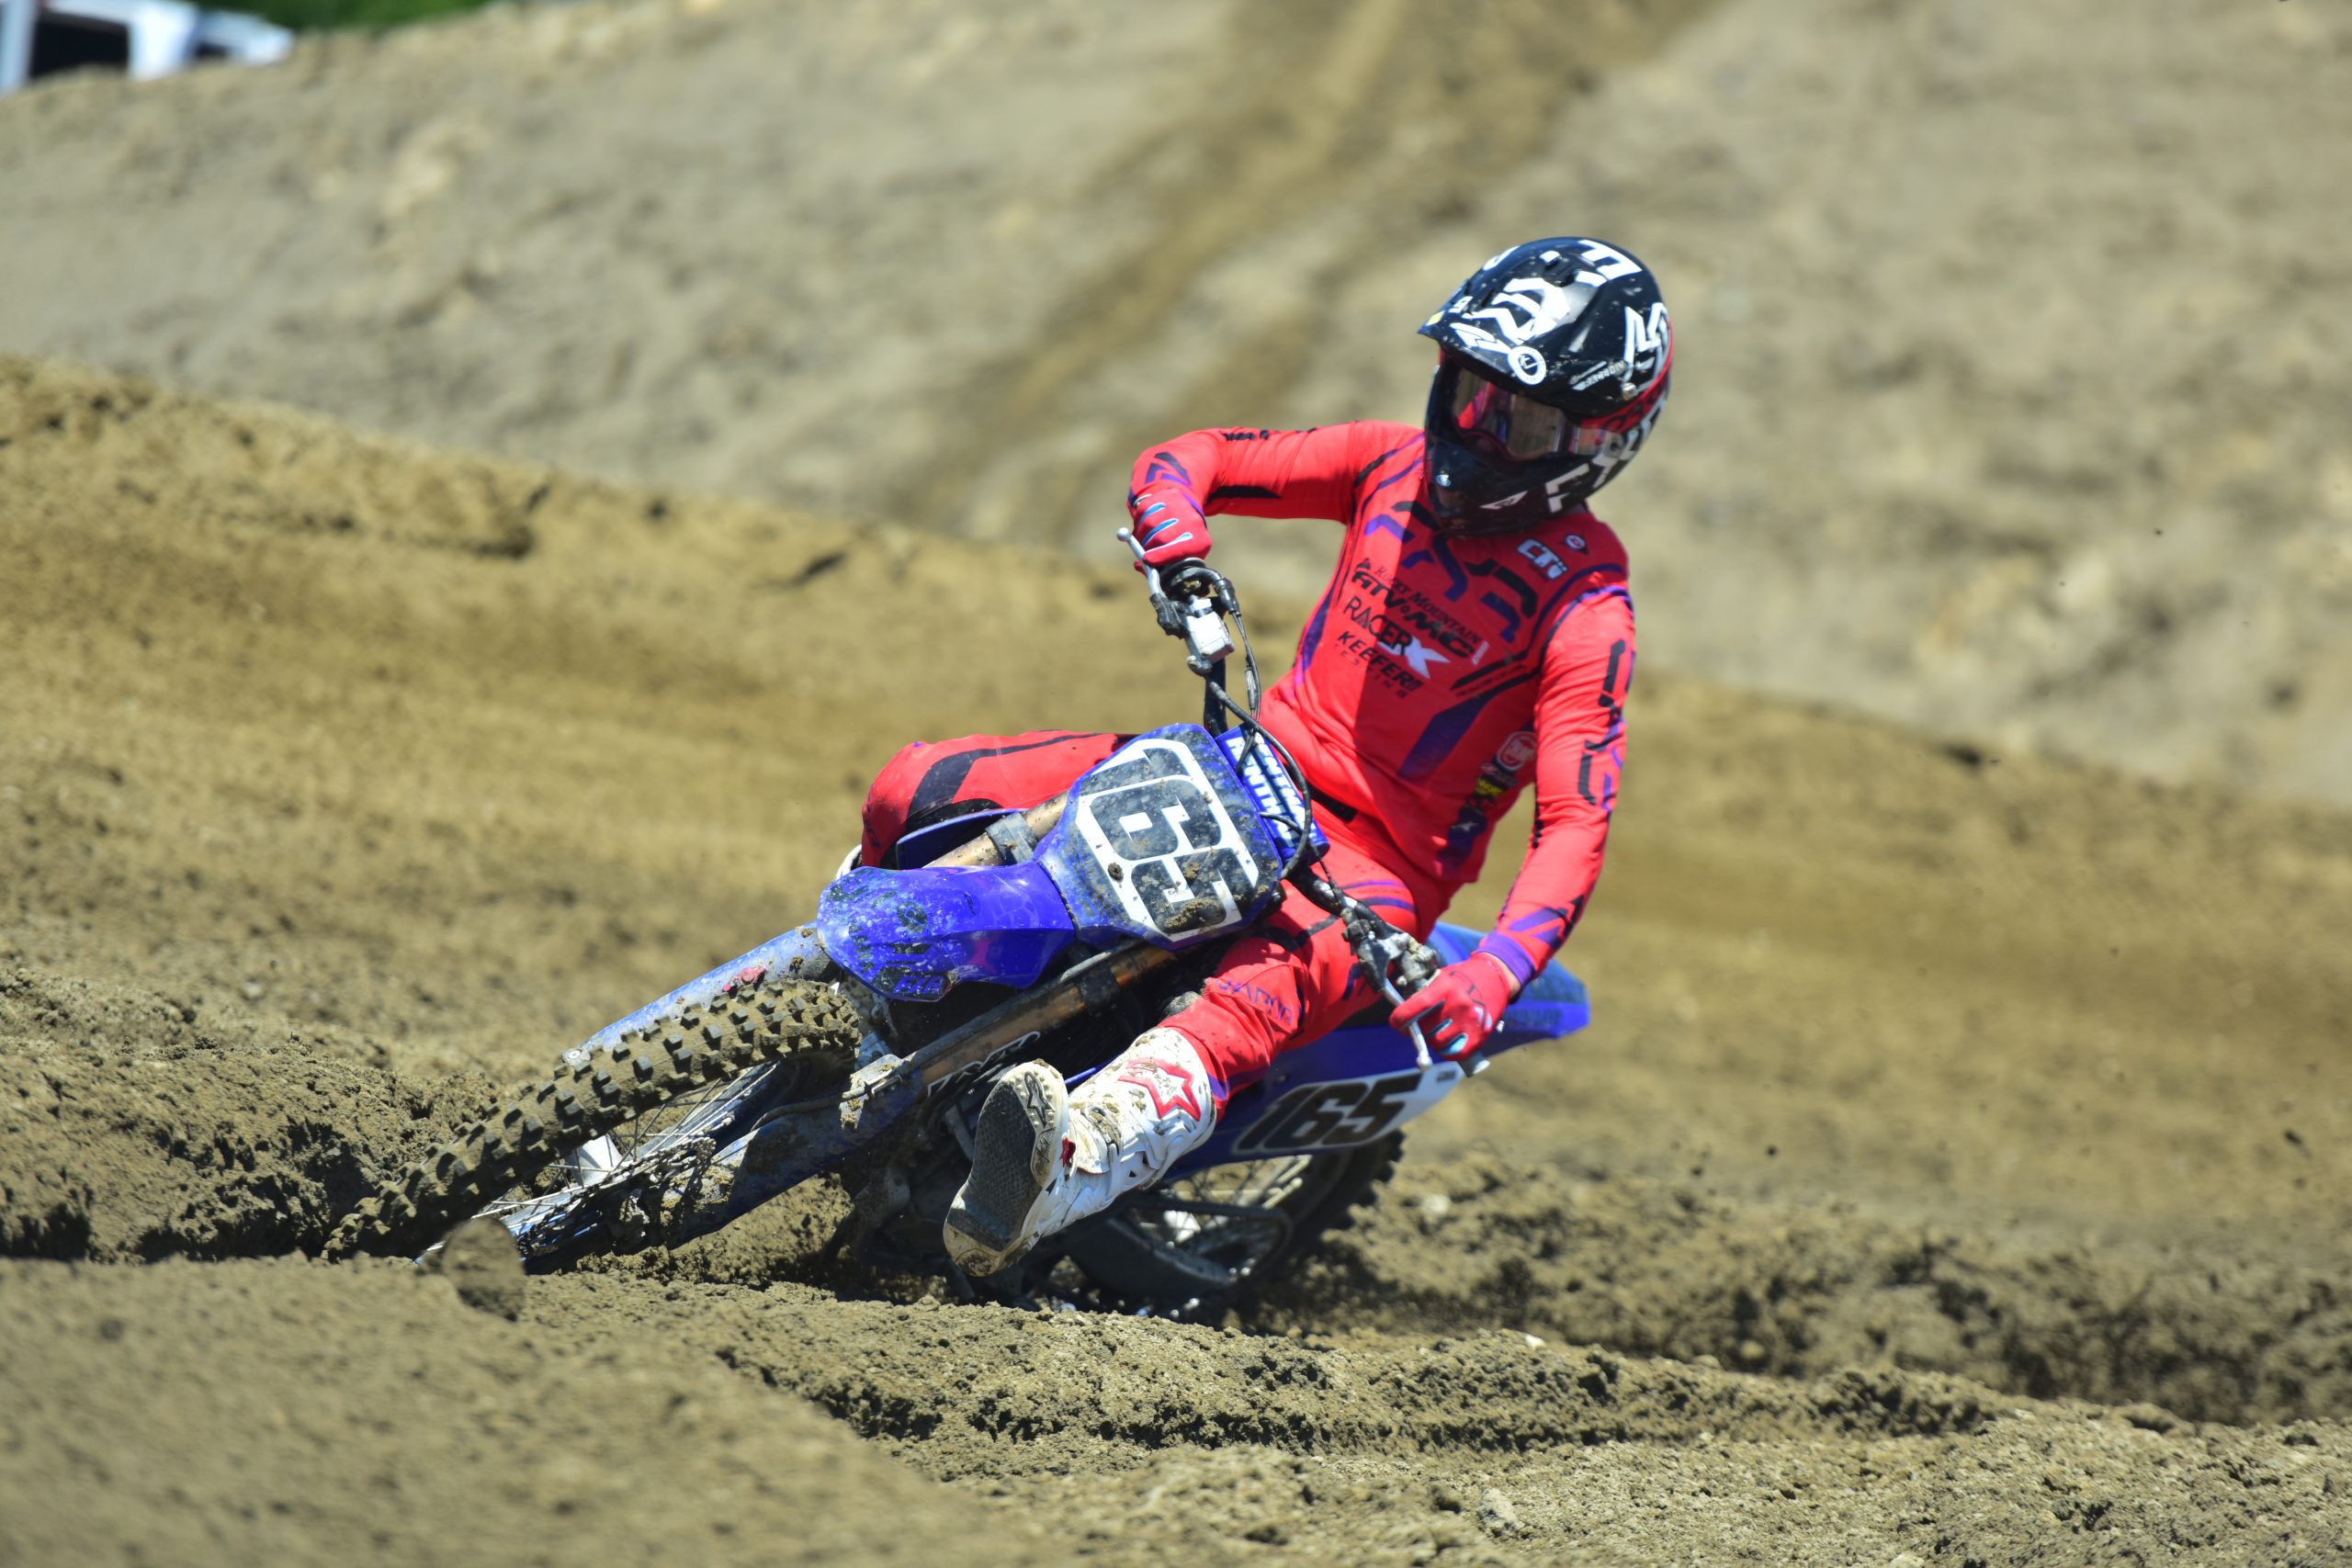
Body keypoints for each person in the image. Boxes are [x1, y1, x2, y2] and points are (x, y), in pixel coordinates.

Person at [855, 237, 1672, 1277]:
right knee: (917, 790)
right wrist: (1175, 535)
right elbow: (1197, 456)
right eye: (1469, 391)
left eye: (1521, 418)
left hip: (1374, 873)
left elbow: (1576, 819)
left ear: (1599, 441)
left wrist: (1500, 968)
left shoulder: (1588, 605)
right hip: (1236, 765)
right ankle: (859, 1014)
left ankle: (1055, 1165)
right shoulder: (1389, 463)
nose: (1477, 428)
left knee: (1239, 1009)